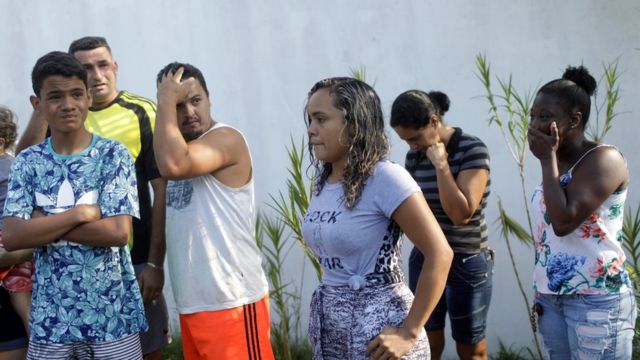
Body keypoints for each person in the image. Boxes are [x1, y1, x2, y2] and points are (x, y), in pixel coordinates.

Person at [16, 36, 169, 359]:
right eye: (54, 97)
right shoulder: (29, 161)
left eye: (75, 94)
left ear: (87, 97)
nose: (67, 104)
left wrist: (44, 222)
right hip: (52, 318)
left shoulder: (113, 154)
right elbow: (14, 234)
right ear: (37, 104)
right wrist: (78, 214)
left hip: (111, 312)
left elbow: (116, 233)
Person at [302, 77, 453, 359]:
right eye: (310, 119)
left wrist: (409, 333)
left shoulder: (384, 177)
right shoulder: (324, 181)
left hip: (381, 337)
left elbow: (440, 253)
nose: (311, 130)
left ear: (354, 124)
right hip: (332, 333)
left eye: (321, 119)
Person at [154, 63, 274, 360]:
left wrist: (166, 100)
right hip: (195, 304)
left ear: (209, 98)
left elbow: (174, 166)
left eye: (195, 101)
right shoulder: (176, 145)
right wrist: (154, 265)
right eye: (178, 105)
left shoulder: (226, 139)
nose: (188, 112)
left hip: (232, 300)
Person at [528, 65, 636, 358]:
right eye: (533, 115)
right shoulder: (555, 163)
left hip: (597, 300)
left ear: (574, 120)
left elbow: (564, 221)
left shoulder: (604, 159)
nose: (534, 124)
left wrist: (546, 159)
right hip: (551, 298)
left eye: (545, 117)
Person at [390, 90, 493, 360]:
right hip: (426, 260)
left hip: (466, 262)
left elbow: (461, 214)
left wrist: (442, 166)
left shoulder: (472, 149)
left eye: (414, 138)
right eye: (405, 140)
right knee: (426, 342)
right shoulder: (414, 157)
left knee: (472, 350)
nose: (411, 147)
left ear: (434, 121)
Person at [0, 107, 29, 360]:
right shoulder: (14, 166)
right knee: (19, 291)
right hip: (16, 237)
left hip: (7, 237)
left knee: (19, 291)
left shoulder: (9, 168)